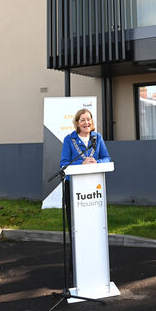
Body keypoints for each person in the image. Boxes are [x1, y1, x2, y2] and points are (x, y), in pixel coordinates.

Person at [60, 108, 111, 266]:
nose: (86, 122)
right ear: (76, 123)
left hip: (93, 188)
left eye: (88, 119)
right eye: (82, 120)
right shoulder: (69, 139)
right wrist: (81, 162)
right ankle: (75, 264)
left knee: (94, 225)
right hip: (73, 187)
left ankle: (94, 261)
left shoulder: (97, 137)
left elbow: (106, 158)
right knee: (76, 226)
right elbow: (63, 164)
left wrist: (97, 162)